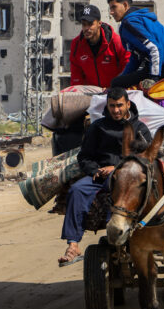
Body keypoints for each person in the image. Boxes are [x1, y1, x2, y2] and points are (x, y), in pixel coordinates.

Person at [58, 87, 151, 266]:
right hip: (98, 177)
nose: (116, 110)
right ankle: (73, 245)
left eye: (119, 106)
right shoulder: (97, 127)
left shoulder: (139, 129)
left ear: (128, 105)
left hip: (127, 179)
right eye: (112, 106)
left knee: (116, 186)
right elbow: (84, 157)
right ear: (107, 106)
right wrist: (96, 171)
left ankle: (117, 237)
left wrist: (115, 169)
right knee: (76, 190)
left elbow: (144, 160)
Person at [106, 0, 164, 89]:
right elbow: (135, 57)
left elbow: (154, 48)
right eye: (110, 8)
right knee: (120, 81)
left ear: (125, 5)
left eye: (114, 7)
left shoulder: (130, 23)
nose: (111, 12)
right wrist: (124, 76)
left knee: (116, 83)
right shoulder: (139, 17)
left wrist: (154, 78)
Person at [69, 4, 130, 88]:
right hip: (91, 94)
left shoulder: (116, 41)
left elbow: (128, 67)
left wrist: (119, 89)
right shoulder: (76, 44)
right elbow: (76, 76)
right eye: (84, 24)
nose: (86, 28)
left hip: (114, 92)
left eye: (90, 24)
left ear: (99, 23)